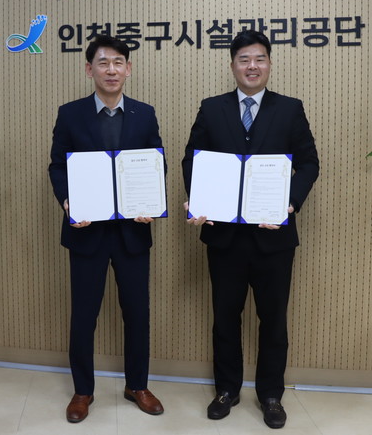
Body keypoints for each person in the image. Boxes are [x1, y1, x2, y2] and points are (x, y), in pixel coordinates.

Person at [181, 30, 319, 429]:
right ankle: (226, 389)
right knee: (225, 317)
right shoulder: (212, 108)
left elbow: (309, 163)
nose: (252, 66)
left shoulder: (289, 109)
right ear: (233, 66)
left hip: (273, 235)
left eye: (259, 59)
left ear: (269, 64)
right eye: (244, 59)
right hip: (224, 236)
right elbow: (192, 160)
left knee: (273, 320)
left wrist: (289, 203)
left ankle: (271, 395)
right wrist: (198, 200)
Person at [48, 35, 165, 423]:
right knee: (84, 315)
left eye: (118, 63)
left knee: (137, 314)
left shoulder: (145, 114)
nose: (111, 70)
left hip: (133, 232)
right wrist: (68, 201)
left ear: (128, 69)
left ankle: (138, 385)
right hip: (87, 231)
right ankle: (83, 391)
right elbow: (58, 166)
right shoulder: (70, 114)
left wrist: (151, 202)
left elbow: (156, 163)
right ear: (89, 70)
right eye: (103, 63)